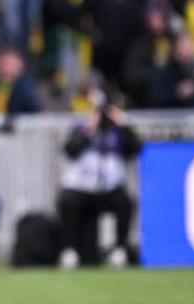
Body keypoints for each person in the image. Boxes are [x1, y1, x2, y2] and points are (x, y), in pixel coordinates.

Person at [57, 102, 141, 269]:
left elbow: (136, 148)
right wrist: (89, 130)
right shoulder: (82, 129)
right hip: (82, 188)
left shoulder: (119, 132)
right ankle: (69, 250)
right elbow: (70, 150)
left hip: (109, 188)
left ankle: (120, 249)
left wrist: (123, 124)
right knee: (67, 201)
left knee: (124, 202)